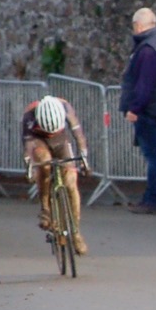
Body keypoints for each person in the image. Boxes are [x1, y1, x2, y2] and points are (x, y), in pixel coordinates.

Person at [120, 7, 156, 215]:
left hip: (149, 111)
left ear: (138, 25)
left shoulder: (147, 50)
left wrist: (134, 108)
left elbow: (144, 83)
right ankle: (151, 198)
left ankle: (152, 199)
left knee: (151, 157)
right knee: (153, 155)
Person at [22, 95, 90, 255]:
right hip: (38, 140)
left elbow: (78, 136)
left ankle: (76, 232)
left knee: (71, 182)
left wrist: (84, 159)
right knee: (44, 163)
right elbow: (27, 145)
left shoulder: (66, 108)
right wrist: (29, 167)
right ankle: (45, 208)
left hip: (60, 140)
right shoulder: (30, 114)